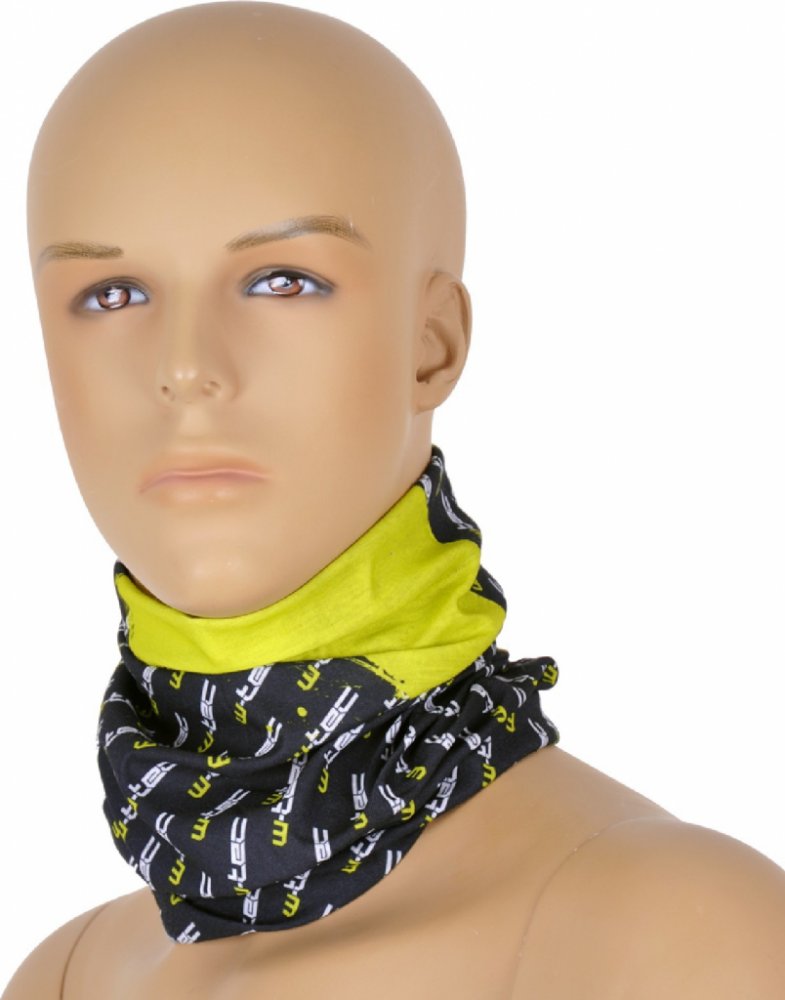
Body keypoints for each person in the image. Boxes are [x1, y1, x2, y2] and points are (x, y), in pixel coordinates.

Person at [4, 3, 784, 997]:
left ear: (431, 343)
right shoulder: (64, 975)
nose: (186, 367)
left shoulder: (675, 939)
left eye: (281, 281)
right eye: (111, 295)